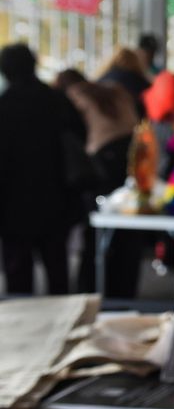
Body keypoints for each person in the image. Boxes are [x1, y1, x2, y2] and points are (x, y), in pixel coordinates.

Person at [0, 44, 86, 294]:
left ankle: (24, 328)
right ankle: (63, 324)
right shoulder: (56, 100)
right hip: (57, 198)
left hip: (14, 205)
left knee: (18, 274)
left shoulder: (4, 106)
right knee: (57, 269)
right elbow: (80, 137)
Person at [66, 80, 143, 297]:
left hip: (102, 161)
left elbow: (76, 134)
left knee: (96, 231)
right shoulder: (119, 92)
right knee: (128, 227)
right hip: (132, 157)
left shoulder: (76, 95)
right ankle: (125, 289)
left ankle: (90, 289)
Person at [98, 47, 151, 118]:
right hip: (132, 121)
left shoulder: (102, 79)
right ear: (135, 62)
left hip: (104, 119)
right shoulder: (140, 81)